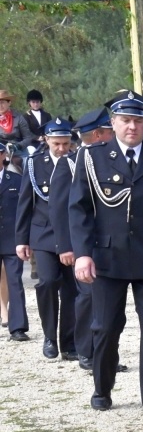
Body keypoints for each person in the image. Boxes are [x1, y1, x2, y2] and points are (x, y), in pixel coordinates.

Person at [69, 90, 143, 420]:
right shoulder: (92, 158)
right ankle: (103, 386)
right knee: (105, 327)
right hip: (108, 257)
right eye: (125, 120)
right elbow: (79, 210)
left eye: (138, 120)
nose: (132, 126)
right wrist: (82, 254)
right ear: (113, 122)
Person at [53, 108, 119, 371]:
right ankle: (85, 350)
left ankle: (105, 355)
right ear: (98, 134)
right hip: (82, 243)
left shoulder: (108, 160)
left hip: (106, 243)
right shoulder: (71, 163)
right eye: (110, 131)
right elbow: (61, 209)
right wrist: (67, 246)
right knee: (87, 296)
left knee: (107, 304)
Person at [15, 117, 78, 360]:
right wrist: (21, 239)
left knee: (72, 291)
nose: (62, 149)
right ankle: (50, 336)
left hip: (71, 236)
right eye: (57, 144)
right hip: (42, 234)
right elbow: (25, 202)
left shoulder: (76, 162)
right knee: (48, 283)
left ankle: (69, 342)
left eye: (66, 144)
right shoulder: (34, 164)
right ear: (47, 140)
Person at [0, 143, 29, 341]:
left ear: (3, 155)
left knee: (15, 282)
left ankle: (17, 327)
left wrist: (24, 239)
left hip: (12, 240)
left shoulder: (17, 180)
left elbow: (24, 211)